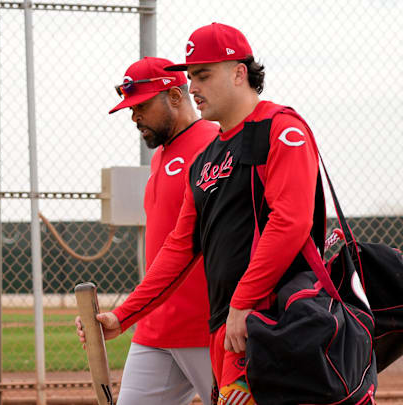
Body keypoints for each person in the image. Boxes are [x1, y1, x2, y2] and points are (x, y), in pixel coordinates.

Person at [77, 23, 323, 405]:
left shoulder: (282, 129)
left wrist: (243, 302)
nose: (194, 86)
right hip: (221, 327)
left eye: (203, 75)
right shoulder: (207, 159)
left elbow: (290, 222)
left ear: (240, 72)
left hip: (271, 324)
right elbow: (179, 248)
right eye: (191, 75)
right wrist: (123, 316)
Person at [93, 57, 218, 405]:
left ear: (176, 98)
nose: (135, 118)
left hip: (205, 328)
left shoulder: (215, 144)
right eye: (131, 109)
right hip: (155, 328)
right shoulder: (160, 155)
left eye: (142, 106)